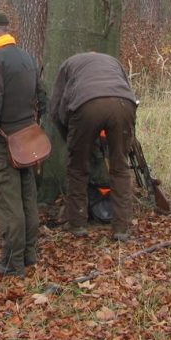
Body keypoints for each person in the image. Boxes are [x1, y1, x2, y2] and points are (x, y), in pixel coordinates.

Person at [0, 10, 46, 278]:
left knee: (7, 204)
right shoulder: (26, 57)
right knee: (27, 199)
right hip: (26, 140)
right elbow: (42, 98)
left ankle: (12, 265)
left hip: (2, 144)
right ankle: (28, 255)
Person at [49, 51, 139, 241]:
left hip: (86, 105)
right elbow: (125, 90)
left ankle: (77, 223)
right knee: (120, 168)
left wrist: (71, 138)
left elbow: (56, 108)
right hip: (124, 104)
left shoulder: (68, 64)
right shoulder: (113, 61)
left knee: (77, 168)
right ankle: (122, 227)